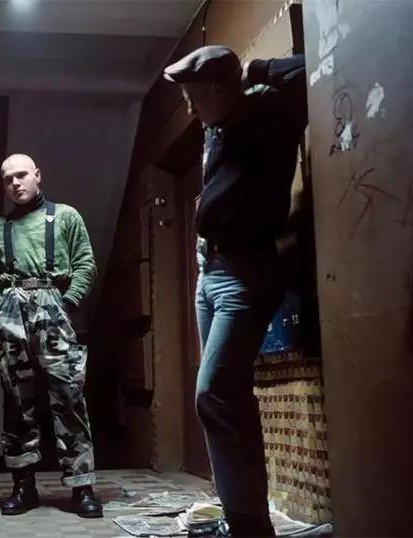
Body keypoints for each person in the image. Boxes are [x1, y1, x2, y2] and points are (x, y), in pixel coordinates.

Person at [163, 46, 308, 537]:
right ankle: (241, 516)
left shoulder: (269, 115)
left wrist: (257, 68)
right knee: (227, 400)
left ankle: (249, 524)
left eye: (193, 96)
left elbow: (311, 69)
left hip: (246, 273)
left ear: (220, 88)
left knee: (216, 394)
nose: (189, 107)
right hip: (211, 271)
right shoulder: (216, 126)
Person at [0, 153, 102, 518]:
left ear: (37, 175)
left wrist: (68, 301)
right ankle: (24, 487)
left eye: (21, 175)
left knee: (69, 398)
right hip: (11, 311)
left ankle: (81, 488)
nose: (15, 183)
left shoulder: (65, 217)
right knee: (17, 402)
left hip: (53, 307)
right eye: (7, 179)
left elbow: (85, 263)